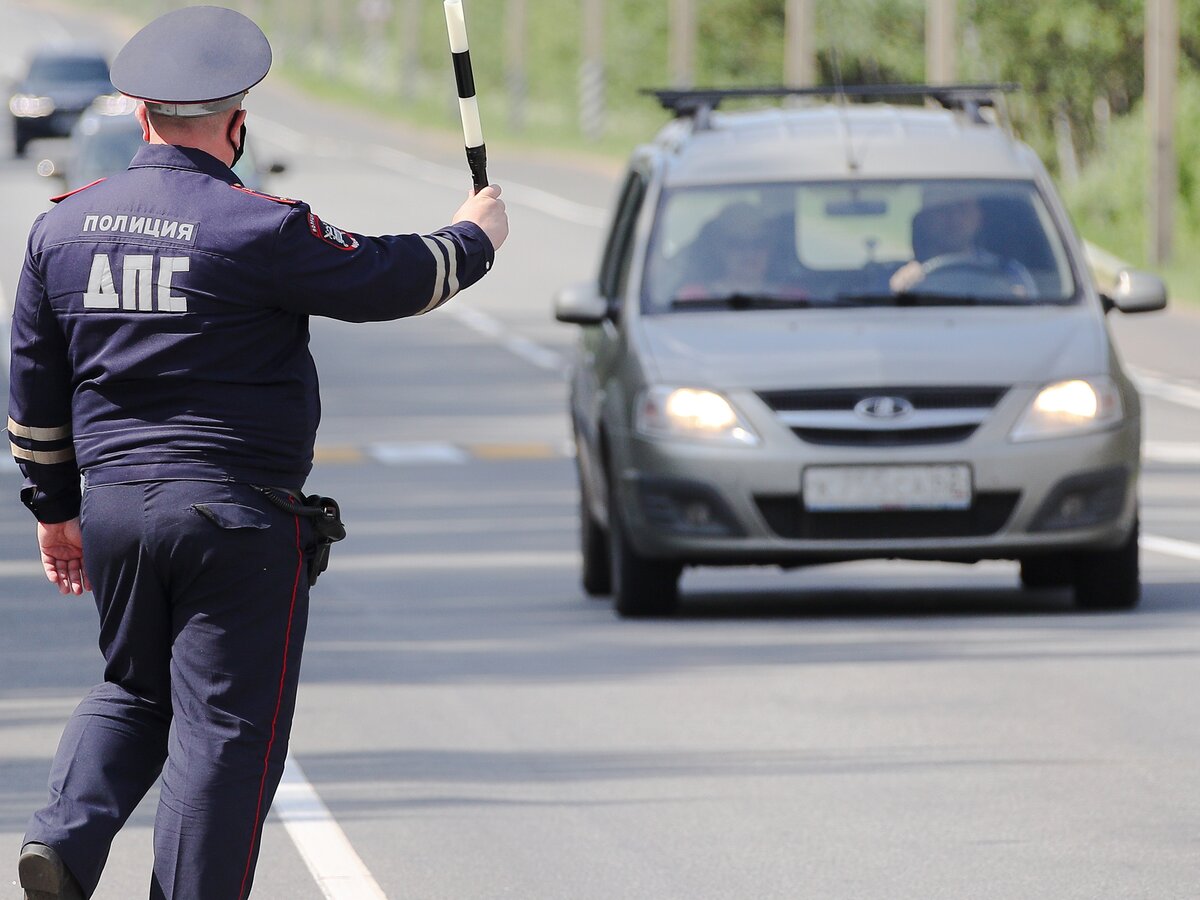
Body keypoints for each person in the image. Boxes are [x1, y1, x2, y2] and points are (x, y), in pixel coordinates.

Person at [8, 7, 507, 899]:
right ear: (237, 125)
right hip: (235, 517)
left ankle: (62, 839)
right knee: (225, 731)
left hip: (117, 508)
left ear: (139, 114)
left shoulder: (61, 230)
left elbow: (34, 394)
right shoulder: (260, 228)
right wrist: (474, 236)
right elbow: (393, 278)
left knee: (132, 691)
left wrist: (55, 512)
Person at [889, 189, 1036, 297]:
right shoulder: (898, 278)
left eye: (962, 207)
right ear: (925, 219)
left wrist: (1016, 299)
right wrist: (898, 293)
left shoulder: (1009, 274)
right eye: (943, 209)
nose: (954, 218)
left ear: (979, 217)